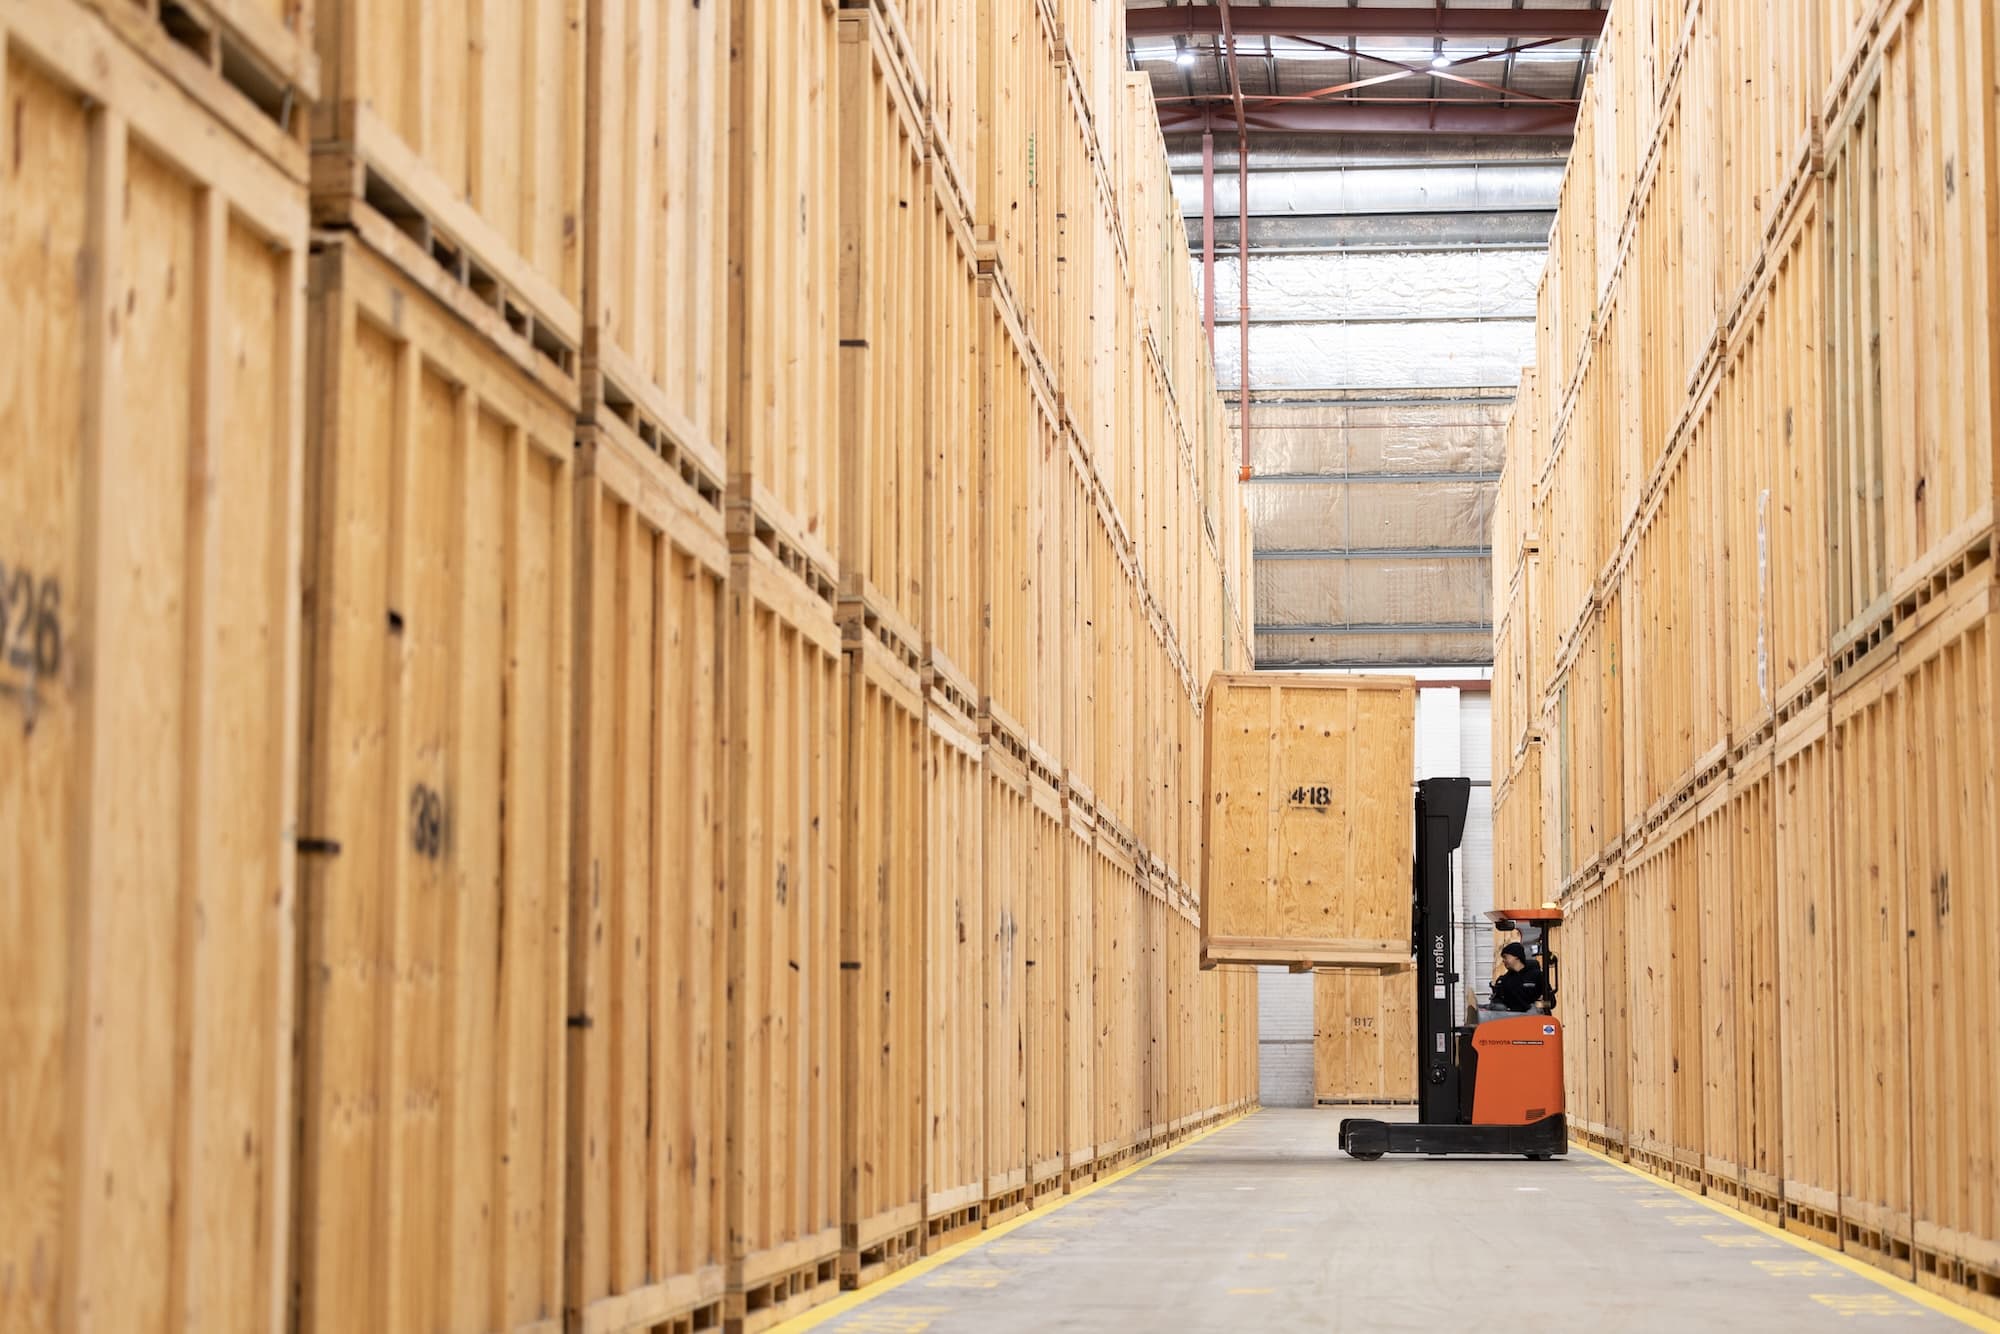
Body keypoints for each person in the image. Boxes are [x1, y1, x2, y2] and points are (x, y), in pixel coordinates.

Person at [1489, 942, 1551, 1013]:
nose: (1503, 960)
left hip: (1536, 1020)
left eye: (1505, 956)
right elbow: (1498, 1001)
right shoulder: (1504, 980)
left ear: (1516, 956)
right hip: (1514, 1020)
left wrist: (1535, 1006)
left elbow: (1551, 1003)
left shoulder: (1537, 976)